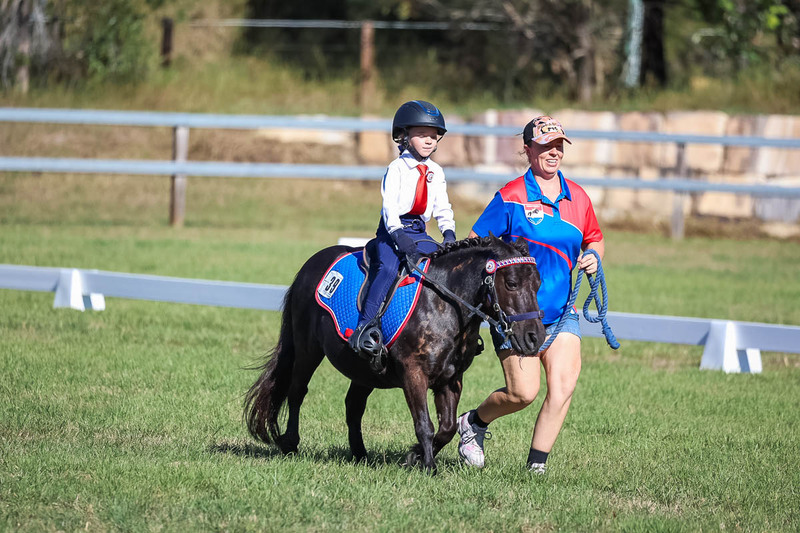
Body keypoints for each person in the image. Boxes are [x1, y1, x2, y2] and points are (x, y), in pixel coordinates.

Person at [457, 115, 605, 473]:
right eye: (544, 146)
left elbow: (595, 237)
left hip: (561, 310)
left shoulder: (578, 197)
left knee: (563, 386)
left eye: (558, 146)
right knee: (523, 393)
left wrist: (593, 258)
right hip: (516, 314)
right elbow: (478, 246)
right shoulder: (510, 197)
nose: (552, 153)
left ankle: (535, 467)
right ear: (528, 150)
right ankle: (473, 423)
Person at [348, 100, 456, 369]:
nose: (429, 141)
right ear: (405, 136)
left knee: (443, 271)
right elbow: (390, 208)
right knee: (386, 268)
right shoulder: (396, 169)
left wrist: (449, 232)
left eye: (433, 136)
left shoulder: (436, 172)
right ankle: (365, 327)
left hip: (420, 231)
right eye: (422, 135)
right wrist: (398, 236)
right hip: (392, 231)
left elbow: (442, 205)